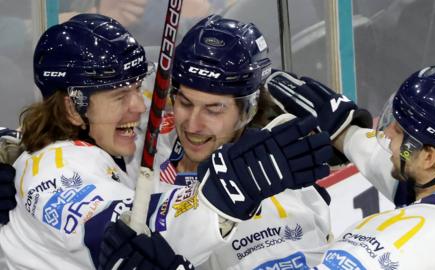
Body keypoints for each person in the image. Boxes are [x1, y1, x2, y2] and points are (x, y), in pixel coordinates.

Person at [0, 13, 332, 269]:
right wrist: (231, 190)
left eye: (214, 108)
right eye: (120, 96)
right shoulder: (57, 170)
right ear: (73, 108)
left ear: (249, 109)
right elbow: (124, 234)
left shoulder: (117, 134)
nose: (141, 106)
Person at [130, 15, 351, 270]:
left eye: (213, 109)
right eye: (185, 103)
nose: (192, 125)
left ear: (248, 109)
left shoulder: (288, 169)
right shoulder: (145, 150)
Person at [266, 65, 435, 269]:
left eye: (399, 130)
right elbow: (380, 156)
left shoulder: (398, 244)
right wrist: (340, 127)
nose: (387, 133)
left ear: (429, 157)